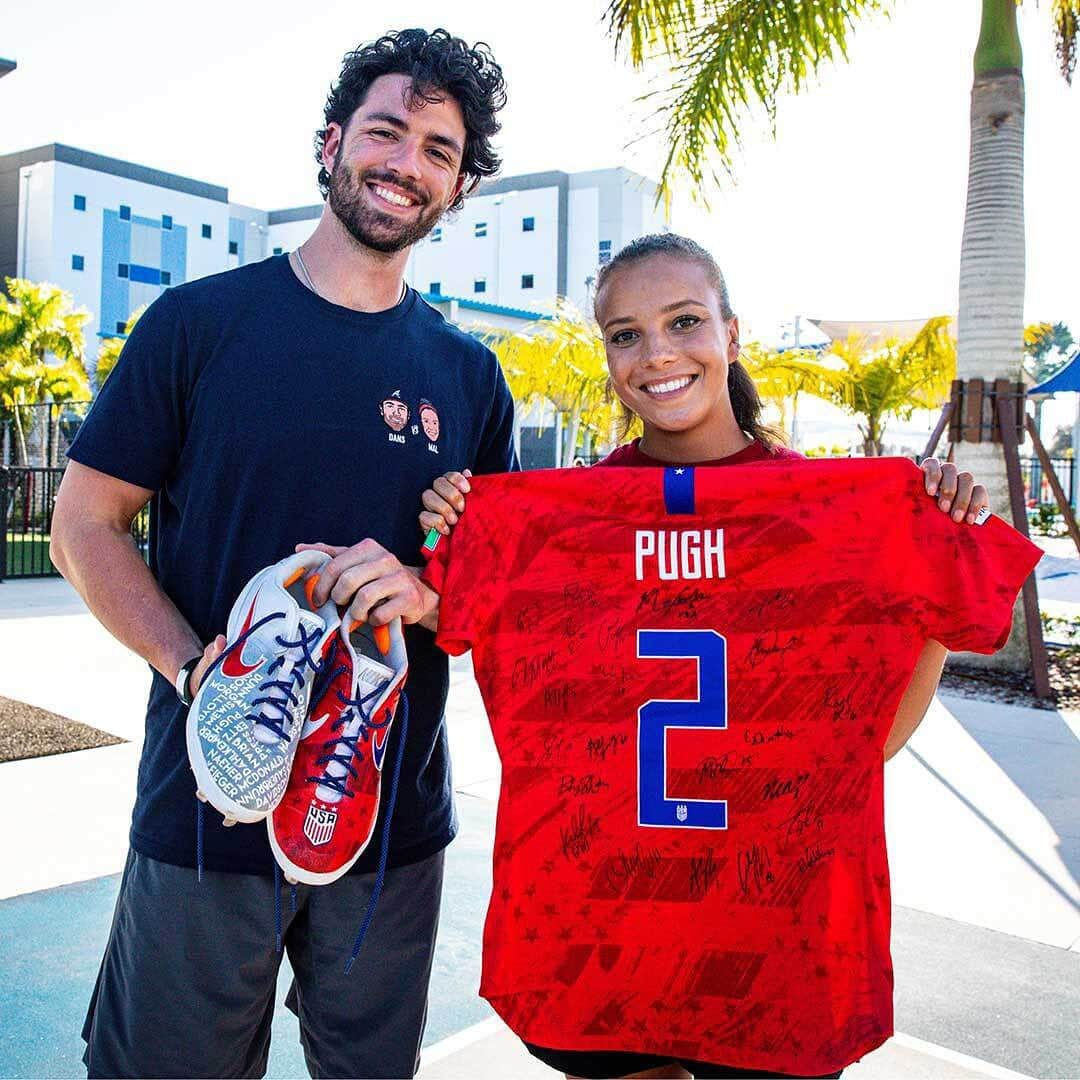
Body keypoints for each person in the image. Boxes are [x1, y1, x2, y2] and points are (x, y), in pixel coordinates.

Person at [410, 234, 1035, 1080]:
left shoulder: (841, 521)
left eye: (683, 321)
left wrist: (916, 568)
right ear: (607, 355)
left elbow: (868, 743)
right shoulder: (553, 525)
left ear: (732, 334)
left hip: (769, 931)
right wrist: (464, 526)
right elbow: (457, 615)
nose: (657, 353)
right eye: (626, 333)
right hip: (606, 924)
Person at [50, 28, 514, 1079]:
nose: (406, 164)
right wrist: (196, 671)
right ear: (330, 144)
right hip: (211, 805)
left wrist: (429, 592)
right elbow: (83, 526)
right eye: (387, 132)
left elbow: (492, 598)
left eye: (438, 151)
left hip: (389, 813)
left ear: (458, 187)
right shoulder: (197, 325)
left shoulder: (469, 376)